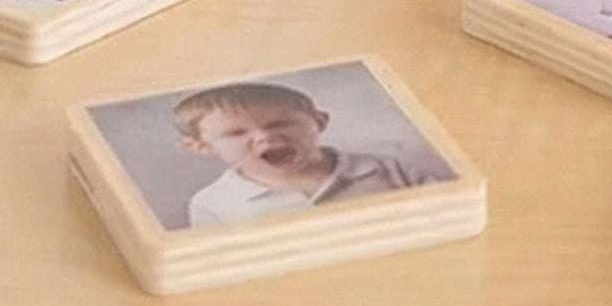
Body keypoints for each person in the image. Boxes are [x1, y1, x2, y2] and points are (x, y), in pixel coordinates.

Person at [169, 80, 447, 225]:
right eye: (236, 133)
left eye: (280, 124)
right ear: (201, 146)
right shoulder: (212, 203)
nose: (265, 137)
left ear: (319, 122)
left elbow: (446, 212)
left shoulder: (385, 170)